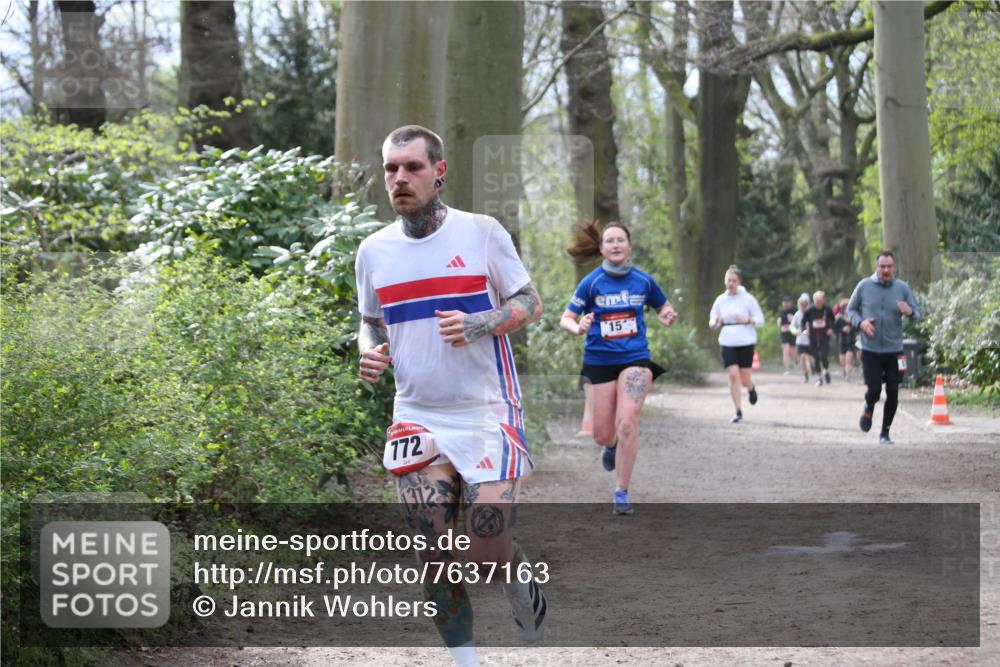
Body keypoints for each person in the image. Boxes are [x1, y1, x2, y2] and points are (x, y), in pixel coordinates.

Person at [355, 125, 546, 666]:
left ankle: (514, 572)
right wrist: (369, 349)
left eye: (412, 167)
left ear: (439, 172)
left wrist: (481, 321)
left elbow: (530, 303)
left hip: (487, 409)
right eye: (391, 169)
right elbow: (371, 323)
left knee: (486, 554)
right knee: (434, 556)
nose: (399, 179)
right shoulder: (373, 252)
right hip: (416, 413)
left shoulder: (482, 233)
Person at [559, 221, 677, 515]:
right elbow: (567, 318)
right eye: (609, 241)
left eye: (620, 240)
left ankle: (621, 491)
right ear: (601, 249)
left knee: (627, 422)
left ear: (629, 246)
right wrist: (578, 327)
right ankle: (610, 446)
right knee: (602, 433)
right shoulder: (591, 282)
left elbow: (663, 306)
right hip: (599, 360)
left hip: (635, 357)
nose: (615, 245)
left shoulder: (644, 281)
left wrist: (667, 314)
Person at [847, 250, 921, 445]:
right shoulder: (864, 286)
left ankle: (885, 432)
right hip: (870, 349)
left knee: (894, 392)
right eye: (882, 266)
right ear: (876, 267)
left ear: (894, 268)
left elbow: (918, 314)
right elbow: (851, 310)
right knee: (874, 390)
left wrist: (910, 311)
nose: (886, 270)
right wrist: (861, 323)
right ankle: (869, 407)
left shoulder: (902, 288)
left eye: (889, 266)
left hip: (894, 349)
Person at [709, 265, 765, 423]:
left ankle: (751, 388)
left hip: (746, 340)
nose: (731, 283)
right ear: (725, 281)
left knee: (744, 377)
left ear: (739, 281)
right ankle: (738, 410)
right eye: (728, 280)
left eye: (734, 280)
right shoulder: (720, 300)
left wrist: (748, 320)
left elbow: (760, 320)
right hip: (727, 340)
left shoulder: (748, 299)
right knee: (733, 375)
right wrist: (716, 322)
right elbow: (712, 319)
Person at [803, 290, 835, 386]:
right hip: (813, 337)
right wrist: (805, 330)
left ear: (824, 300)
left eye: (821, 301)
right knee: (816, 358)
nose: (819, 303)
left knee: (823, 356)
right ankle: (819, 378)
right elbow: (803, 321)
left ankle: (826, 370)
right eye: (817, 301)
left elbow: (833, 321)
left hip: (824, 337)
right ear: (814, 301)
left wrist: (831, 329)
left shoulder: (828, 310)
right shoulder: (809, 310)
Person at [789, 293, 814, 383]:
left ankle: (812, 367)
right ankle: (806, 375)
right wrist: (795, 331)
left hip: (810, 340)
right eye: (802, 303)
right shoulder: (797, 314)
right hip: (800, 340)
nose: (803, 305)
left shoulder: (812, 313)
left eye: (805, 303)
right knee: (803, 357)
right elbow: (792, 326)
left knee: (809, 358)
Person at [834, 296, 858, 382]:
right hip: (842, 341)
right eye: (845, 307)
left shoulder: (854, 318)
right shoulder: (839, 318)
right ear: (842, 308)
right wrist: (842, 329)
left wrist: (857, 334)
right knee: (842, 362)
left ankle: (848, 376)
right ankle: (845, 372)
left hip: (851, 341)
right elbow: (834, 329)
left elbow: (858, 328)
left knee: (848, 360)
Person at [778, 295, 797, 374]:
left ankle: (796, 361)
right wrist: (779, 322)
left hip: (793, 332)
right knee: (785, 350)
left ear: (791, 303)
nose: (786, 304)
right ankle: (787, 369)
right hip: (784, 332)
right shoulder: (782, 311)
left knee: (793, 352)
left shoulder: (795, 310)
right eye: (784, 302)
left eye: (787, 302)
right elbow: (779, 321)